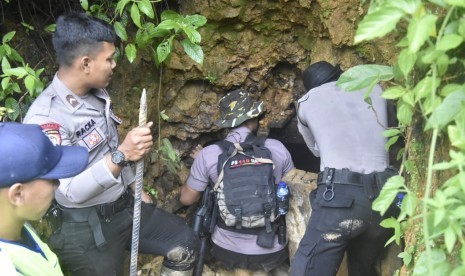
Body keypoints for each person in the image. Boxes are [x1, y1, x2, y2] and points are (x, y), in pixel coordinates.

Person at [24, 12, 199, 276]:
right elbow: (69, 192)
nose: (114, 65)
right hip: (83, 226)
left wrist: (132, 185)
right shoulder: (46, 119)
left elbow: (108, 144)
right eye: (109, 59)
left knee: (185, 244)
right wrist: (122, 155)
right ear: (85, 64)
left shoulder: (96, 95)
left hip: (123, 206)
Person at [291, 61, 394, 276]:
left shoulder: (307, 101)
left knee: (307, 268)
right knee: (362, 267)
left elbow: (316, 151)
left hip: (342, 199)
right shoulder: (375, 89)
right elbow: (391, 133)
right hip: (388, 195)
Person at [180, 89, 295, 272]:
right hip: (272, 250)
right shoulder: (277, 148)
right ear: (253, 120)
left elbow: (186, 199)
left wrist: (199, 164)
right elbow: (293, 193)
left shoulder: (209, 155)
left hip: (226, 250)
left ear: (227, 124)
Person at [0, 122, 89, 275]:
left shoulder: (16, 226)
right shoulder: (8, 268)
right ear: (18, 195)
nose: (57, 184)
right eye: (52, 179)